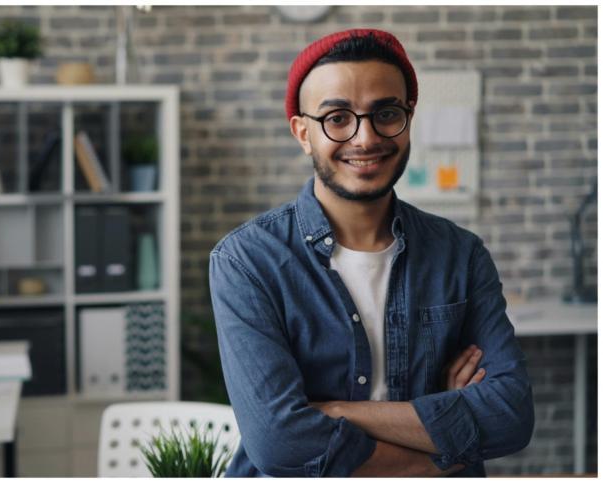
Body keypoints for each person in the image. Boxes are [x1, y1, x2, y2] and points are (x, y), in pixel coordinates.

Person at [209, 28, 534, 477]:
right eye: (337, 118)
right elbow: (279, 443)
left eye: (385, 113)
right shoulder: (247, 261)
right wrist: (443, 448)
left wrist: (338, 411)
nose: (365, 138)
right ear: (303, 133)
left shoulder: (461, 255)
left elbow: (511, 416)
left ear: (408, 117)